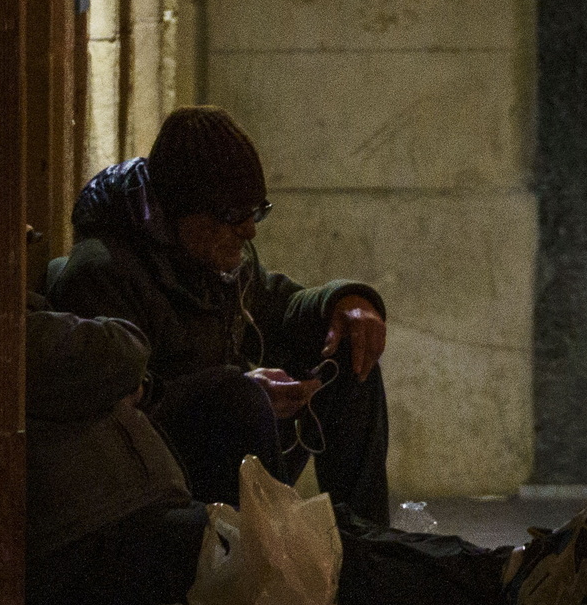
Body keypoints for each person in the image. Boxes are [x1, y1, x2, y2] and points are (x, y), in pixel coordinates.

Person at [26, 295, 587, 605]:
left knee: (321, 545)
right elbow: (116, 350)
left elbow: (280, 299)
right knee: (303, 571)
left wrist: (348, 299)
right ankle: (524, 598)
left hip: (134, 505)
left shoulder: (209, 267)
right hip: (92, 536)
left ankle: (518, 583)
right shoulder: (89, 274)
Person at [47, 106, 396, 523]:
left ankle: (364, 541)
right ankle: (275, 546)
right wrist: (238, 392)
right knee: (235, 397)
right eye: (233, 217)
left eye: (255, 212)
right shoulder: (103, 274)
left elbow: (276, 304)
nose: (249, 231)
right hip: (162, 475)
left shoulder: (211, 250)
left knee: (348, 352)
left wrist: (344, 303)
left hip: (232, 434)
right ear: (182, 214)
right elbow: (122, 412)